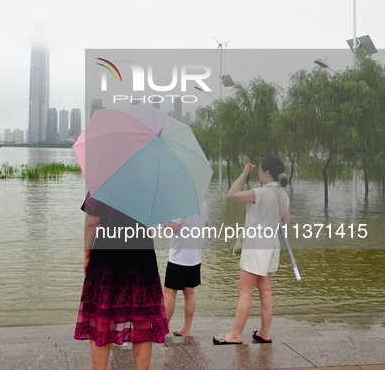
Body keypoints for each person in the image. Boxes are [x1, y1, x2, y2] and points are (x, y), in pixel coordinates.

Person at [74, 194, 169, 370]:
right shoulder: (148, 183)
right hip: (141, 254)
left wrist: (87, 254)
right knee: (142, 319)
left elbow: (91, 222)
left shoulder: (103, 182)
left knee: (101, 318)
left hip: (106, 255)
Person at [213, 156, 290, 345]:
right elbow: (285, 222)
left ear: (267, 173)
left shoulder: (260, 193)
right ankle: (264, 332)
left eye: (259, 170)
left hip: (257, 245)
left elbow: (231, 195)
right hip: (272, 243)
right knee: (266, 290)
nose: (258, 173)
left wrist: (244, 173)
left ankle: (235, 334)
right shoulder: (283, 195)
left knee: (245, 290)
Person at [162, 200, 208, 338]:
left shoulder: (180, 203)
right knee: (190, 293)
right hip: (194, 257)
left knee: (169, 294)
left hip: (179, 257)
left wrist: (165, 224)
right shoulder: (203, 201)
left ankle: (162, 330)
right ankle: (186, 329)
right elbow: (206, 224)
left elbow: (174, 226)